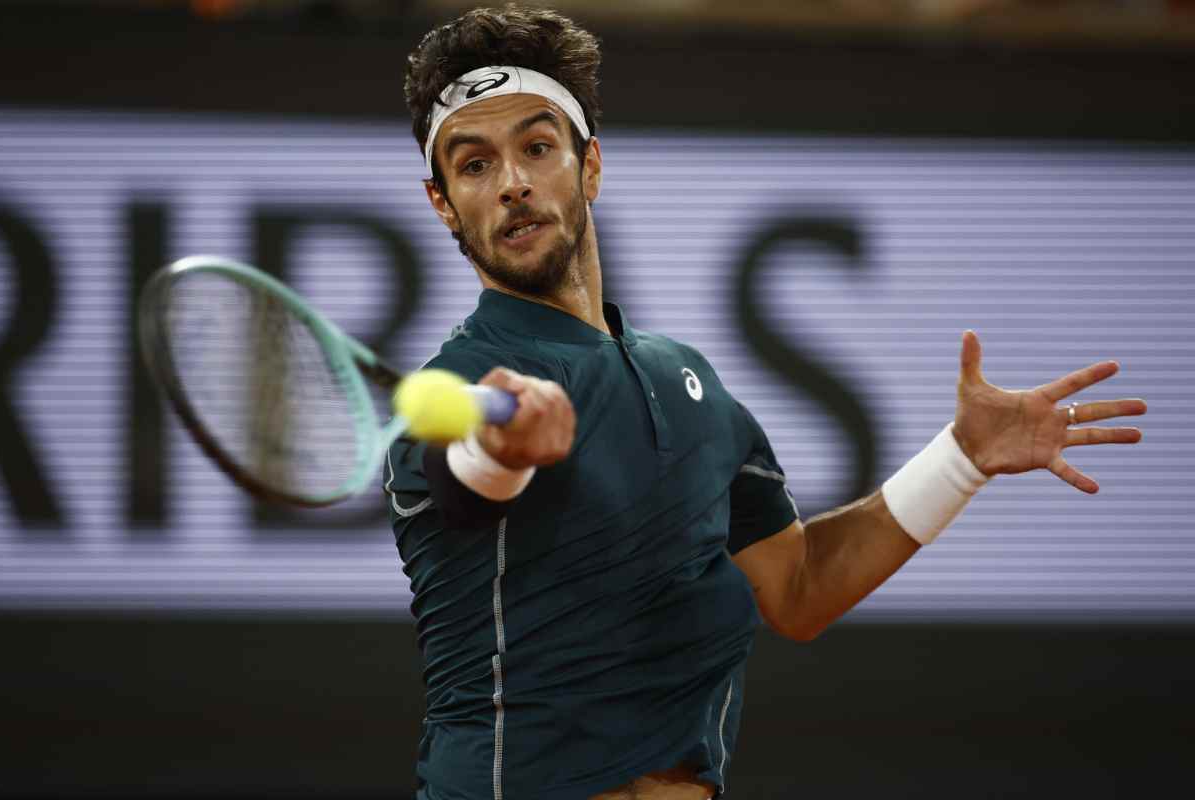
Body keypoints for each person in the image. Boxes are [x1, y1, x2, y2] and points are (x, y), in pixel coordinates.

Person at [385, 5, 1147, 799]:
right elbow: (463, 478)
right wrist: (502, 448)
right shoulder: (473, 385)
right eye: (474, 166)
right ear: (443, 204)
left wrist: (960, 458)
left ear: (591, 168)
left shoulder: (689, 383)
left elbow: (800, 589)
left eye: (538, 148)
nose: (511, 183)